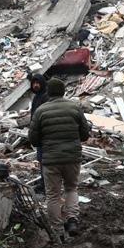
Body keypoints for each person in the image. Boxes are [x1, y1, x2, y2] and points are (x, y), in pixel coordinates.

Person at [29, 78, 91, 238]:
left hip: (50, 159)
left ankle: (57, 230)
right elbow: (85, 134)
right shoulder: (75, 107)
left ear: (48, 92)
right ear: (63, 91)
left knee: (53, 195)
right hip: (72, 157)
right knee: (71, 188)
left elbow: (33, 139)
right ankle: (72, 219)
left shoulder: (41, 110)